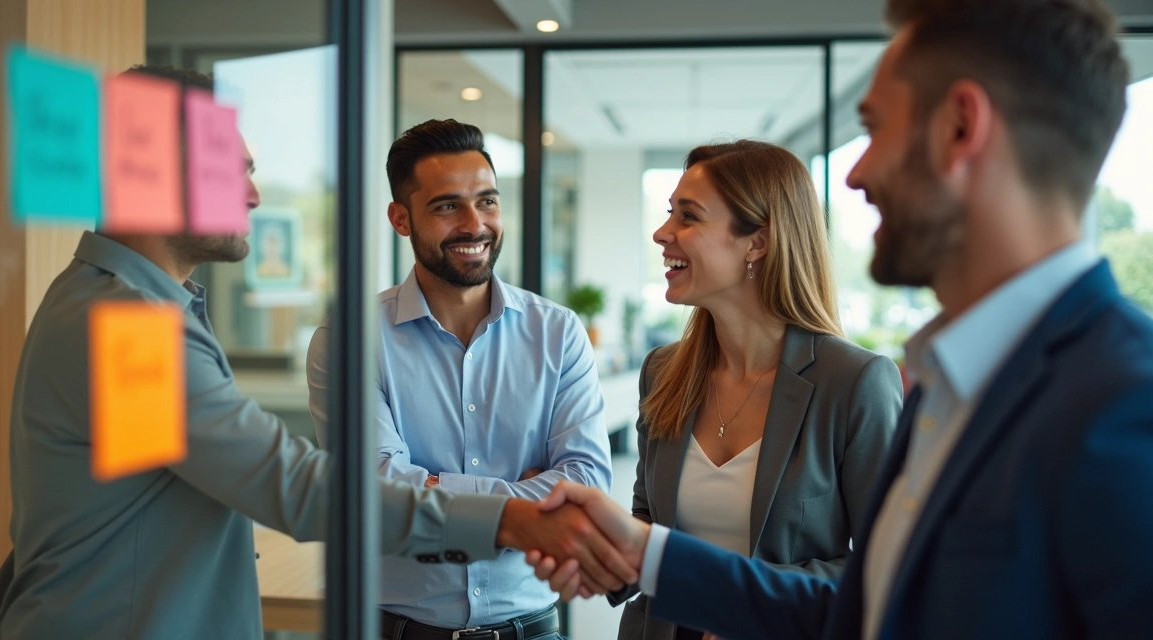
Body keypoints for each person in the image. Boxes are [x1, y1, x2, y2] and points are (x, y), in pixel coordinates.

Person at [528, 0, 1153, 638]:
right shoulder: (949, 382)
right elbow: (873, 608)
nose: (855, 174)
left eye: (876, 129)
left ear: (961, 128)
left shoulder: (1127, 404)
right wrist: (642, 553)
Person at [0, 68, 632, 640]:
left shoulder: (126, 307)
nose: (253, 196)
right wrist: (510, 518)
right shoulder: (123, 323)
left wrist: (461, 497)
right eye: (229, 169)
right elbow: (290, 485)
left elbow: (147, 499)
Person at [306, 118, 613, 640]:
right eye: (447, 206)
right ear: (401, 219)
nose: (475, 225)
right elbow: (376, 493)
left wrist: (430, 488)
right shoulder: (349, 340)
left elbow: (587, 482)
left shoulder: (558, 333)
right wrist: (524, 499)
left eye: (487, 201)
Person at [612, 141, 899, 640]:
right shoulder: (662, 372)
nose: (662, 233)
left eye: (688, 216)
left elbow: (888, 567)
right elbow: (648, 522)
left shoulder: (855, 383)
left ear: (757, 243)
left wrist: (753, 606)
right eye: (669, 212)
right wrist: (592, 540)